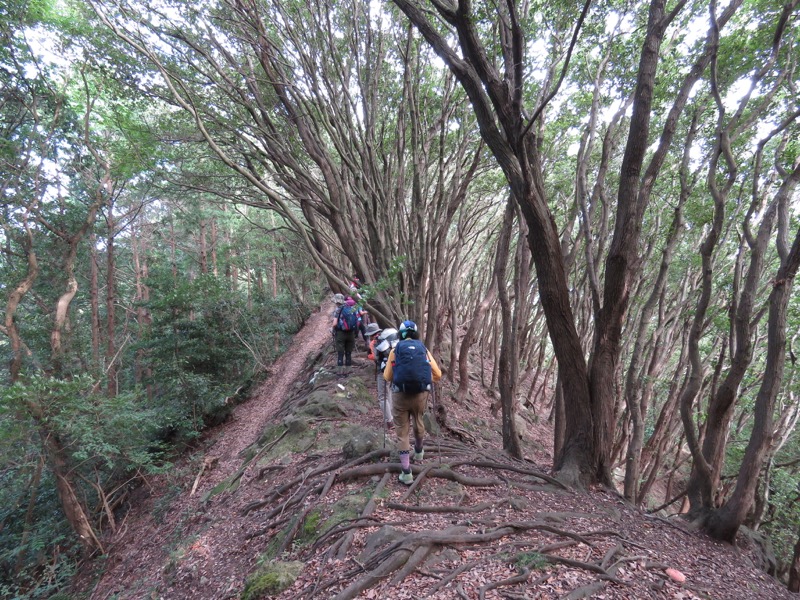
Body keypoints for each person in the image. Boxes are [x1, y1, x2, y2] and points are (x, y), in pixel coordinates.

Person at [383, 320, 441, 485]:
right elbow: (437, 374)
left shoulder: (396, 350)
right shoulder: (423, 349)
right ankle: (419, 451)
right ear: (415, 333)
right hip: (420, 394)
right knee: (419, 419)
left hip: (400, 395)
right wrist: (423, 381)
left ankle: (406, 472)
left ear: (400, 334)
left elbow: (387, 376)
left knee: (402, 431)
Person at [369, 325, 397, 431]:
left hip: (383, 370)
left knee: (382, 396)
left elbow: (376, 357)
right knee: (389, 391)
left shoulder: (377, 342)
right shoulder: (391, 338)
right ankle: (392, 417)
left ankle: (389, 421)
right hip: (395, 369)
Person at [331, 296, 360, 369]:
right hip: (351, 333)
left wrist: (332, 329)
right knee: (348, 353)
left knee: (340, 353)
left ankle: (340, 372)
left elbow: (334, 324)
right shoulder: (351, 307)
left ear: (337, 301)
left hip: (341, 333)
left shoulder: (338, 309)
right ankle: (348, 370)